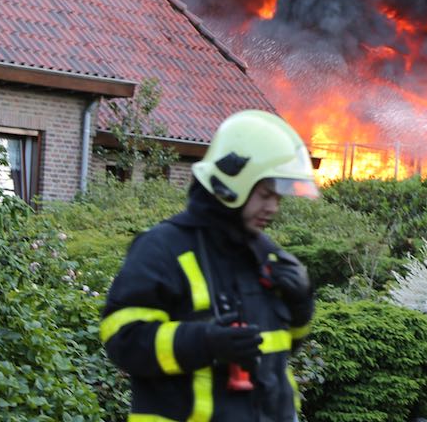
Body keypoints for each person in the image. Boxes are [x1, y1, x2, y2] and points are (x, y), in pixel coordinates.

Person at [100, 109, 320, 421]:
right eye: (265, 195)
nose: (273, 208)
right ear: (231, 184)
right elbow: (123, 340)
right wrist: (205, 342)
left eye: (278, 198)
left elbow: (282, 347)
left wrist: (300, 304)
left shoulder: (266, 255)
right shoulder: (161, 249)